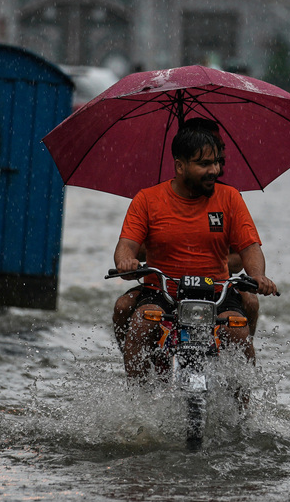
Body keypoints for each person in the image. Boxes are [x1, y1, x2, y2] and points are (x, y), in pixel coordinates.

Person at [113, 122, 278, 377]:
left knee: (239, 331)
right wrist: (126, 262)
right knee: (140, 322)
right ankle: (139, 402)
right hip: (162, 293)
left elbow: (250, 248)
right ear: (180, 166)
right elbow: (126, 247)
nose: (214, 170)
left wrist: (258, 275)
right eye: (204, 164)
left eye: (216, 163)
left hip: (216, 294)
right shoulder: (147, 199)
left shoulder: (231, 197)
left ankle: (242, 409)